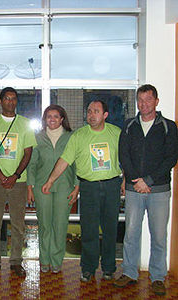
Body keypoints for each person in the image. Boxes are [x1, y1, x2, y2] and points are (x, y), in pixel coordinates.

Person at [42, 100, 121, 282]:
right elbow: (64, 160)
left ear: (105, 115)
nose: (91, 115)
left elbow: (127, 157)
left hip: (111, 186)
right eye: (89, 111)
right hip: (89, 187)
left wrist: (125, 179)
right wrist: (50, 180)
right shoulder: (79, 136)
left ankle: (109, 268)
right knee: (89, 230)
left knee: (110, 229)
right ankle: (88, 268)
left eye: (96, 111)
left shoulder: (116, 133)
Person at [114, 84, 178, 296]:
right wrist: (135, 180)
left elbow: (171, 158)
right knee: (131, 233)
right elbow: (123, 155)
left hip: (158, 190)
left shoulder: (168, 126)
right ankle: (130, 272)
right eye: (140, 100)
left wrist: (148, 181)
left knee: (158, 235)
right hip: (134, 189)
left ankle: (158, 276)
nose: (143, 104)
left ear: (156, 101)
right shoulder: (129, 125)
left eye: (148, 100)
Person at [0, 87, 37, 277]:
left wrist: (14, 175)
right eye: (7, 98)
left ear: (16, 102)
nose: (10, 102)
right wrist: (2, 176)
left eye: (13, 99)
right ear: (0, 101)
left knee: (18, 224)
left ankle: (15, 262)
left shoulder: (25, 124)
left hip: (19, 182)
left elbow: (28, 153)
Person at [26, 105, 79, 274]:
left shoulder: (72, 137)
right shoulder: (38, 138)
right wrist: (29, 187)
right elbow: (32, 164)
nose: (52, 119)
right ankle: (45, 260)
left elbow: (77, 163)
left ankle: (56, 261)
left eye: (56, 116)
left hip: (65, 186)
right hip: (42, 187)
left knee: (60, 225)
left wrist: (77, 186)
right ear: (44, 119)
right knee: (45, 225)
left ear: (62, 119)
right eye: (49, 116)